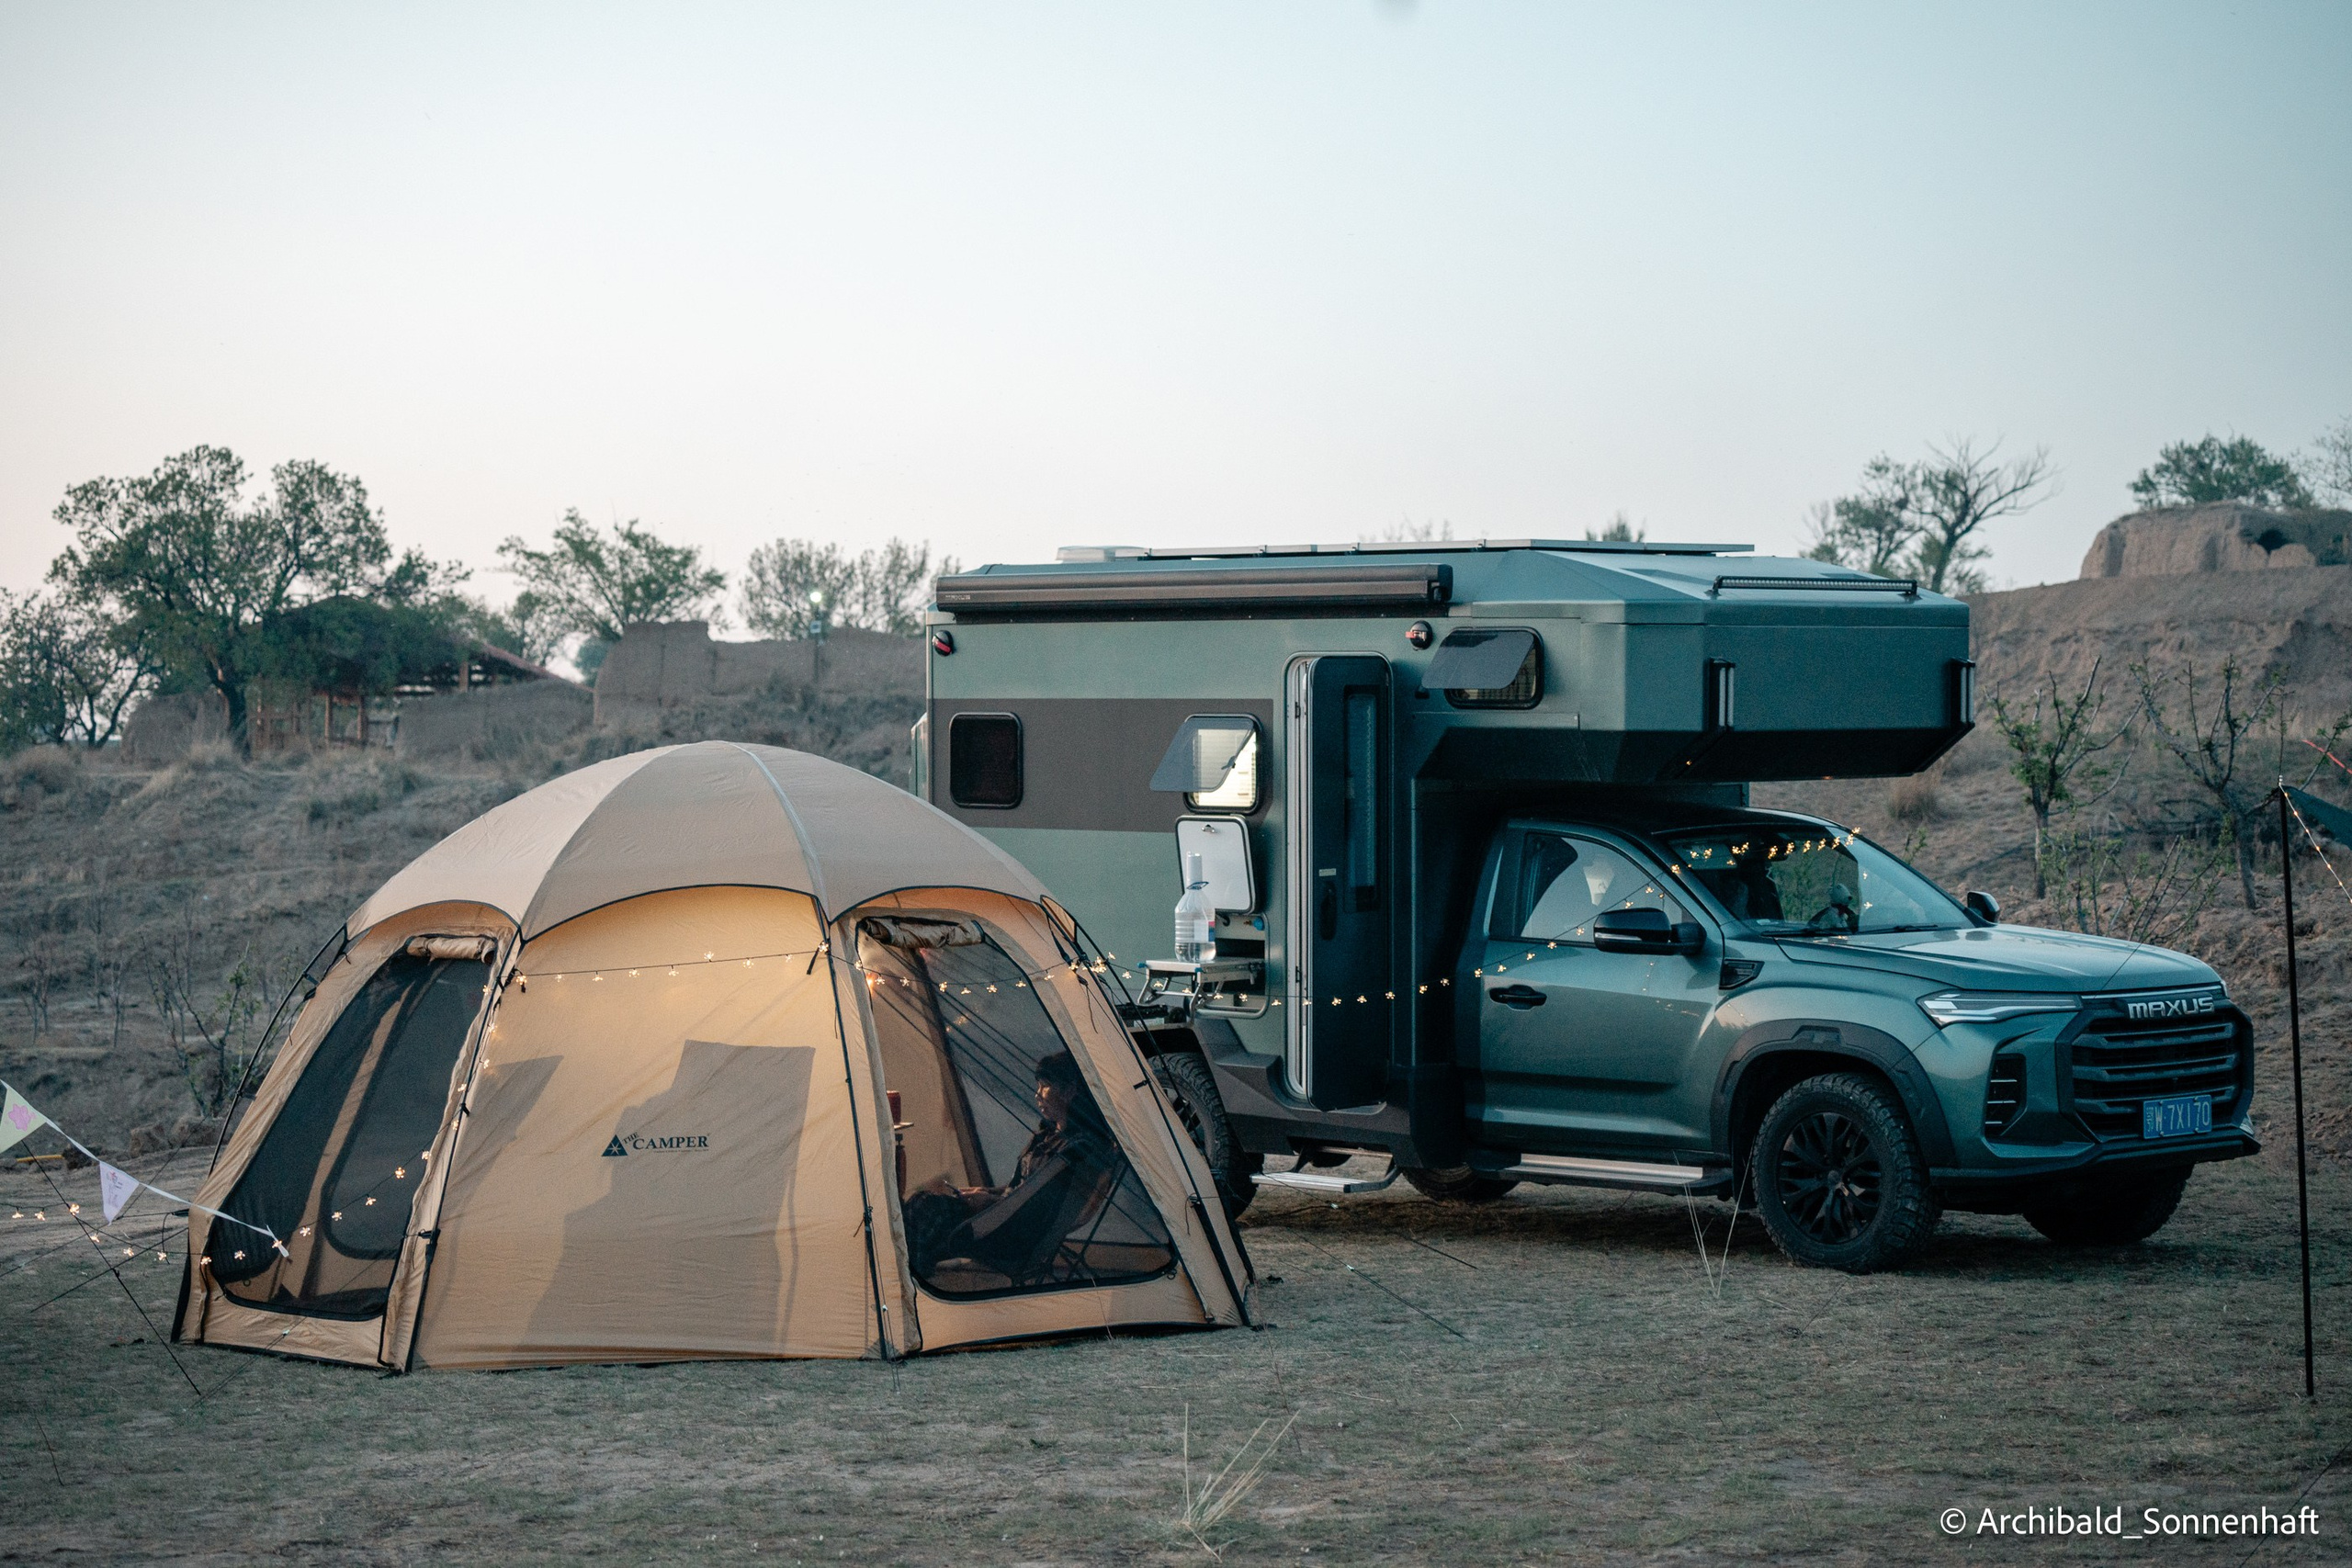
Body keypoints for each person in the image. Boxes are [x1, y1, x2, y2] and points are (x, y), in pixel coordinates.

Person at [902, 1053, 1117, 1283]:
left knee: (922, 1207)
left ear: (1069, 1091)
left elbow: (1031, 1205)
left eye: (1045, 1086)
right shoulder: (1053, 1137)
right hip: (1004, 1219)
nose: (1037, 1095)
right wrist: (986, 1194)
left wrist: (987, 1203)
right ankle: (915, 1274)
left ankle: (911, 1281)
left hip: (1009, 1235)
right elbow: (1026, 1190)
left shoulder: (1072, 1151)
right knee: (923, 1203)